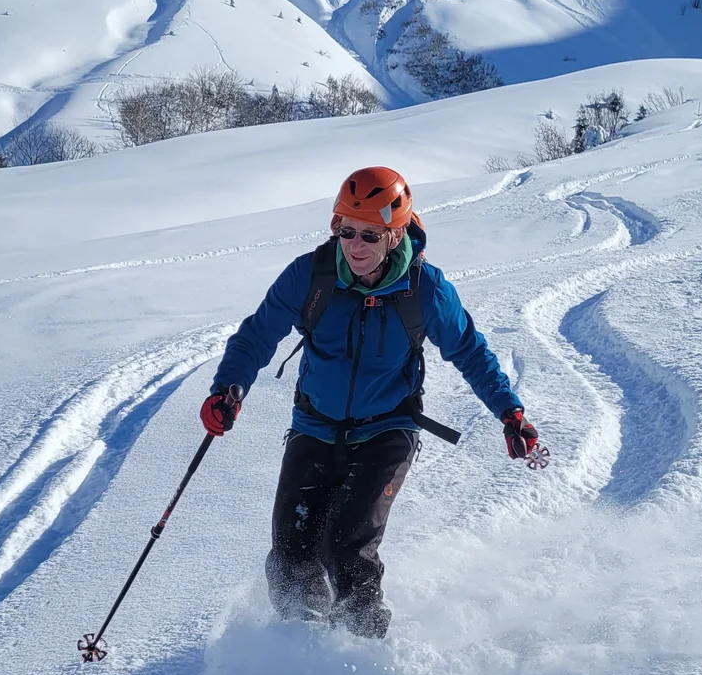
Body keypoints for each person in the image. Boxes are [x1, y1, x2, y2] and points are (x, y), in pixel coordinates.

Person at [202, 165, 545, 637]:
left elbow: (469, 350)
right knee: (291, 553)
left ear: (395, 233)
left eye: (369, 234)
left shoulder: (425, 289)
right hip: (315, 425)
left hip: (387, 429)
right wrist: (229, 389)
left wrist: (511, 413)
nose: (355, 246)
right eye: (346, 232)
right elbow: (256, 336)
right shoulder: (312, 277)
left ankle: (364, 656)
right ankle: (300, 650)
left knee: (345, 547)